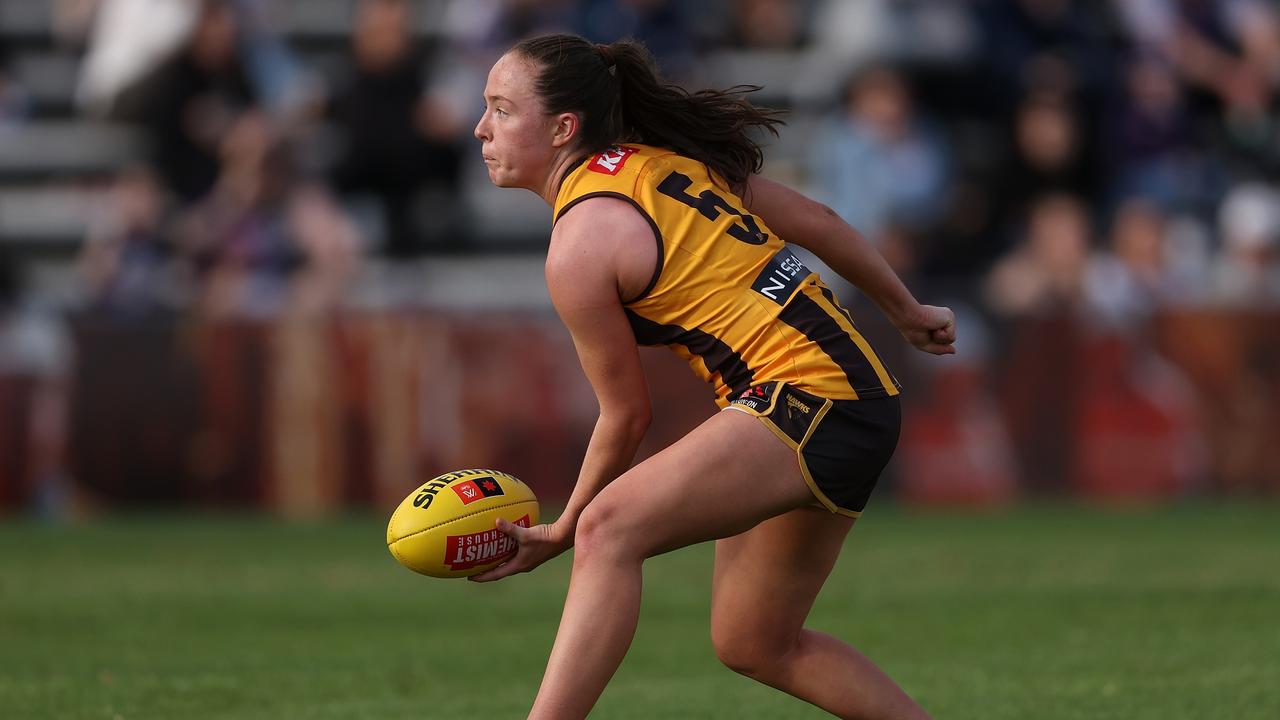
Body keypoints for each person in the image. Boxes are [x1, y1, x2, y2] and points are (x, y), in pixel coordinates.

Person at [470, 33, 954, 720]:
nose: (480, 127)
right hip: (857, 397)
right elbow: (818, 219)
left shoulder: (579, 242)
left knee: (608, 529)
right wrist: (905, 310)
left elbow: (625, 416)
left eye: (500, 109)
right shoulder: (663, 165)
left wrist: (565, 527)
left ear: (562, 128)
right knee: (754, 641)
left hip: (807, 398)